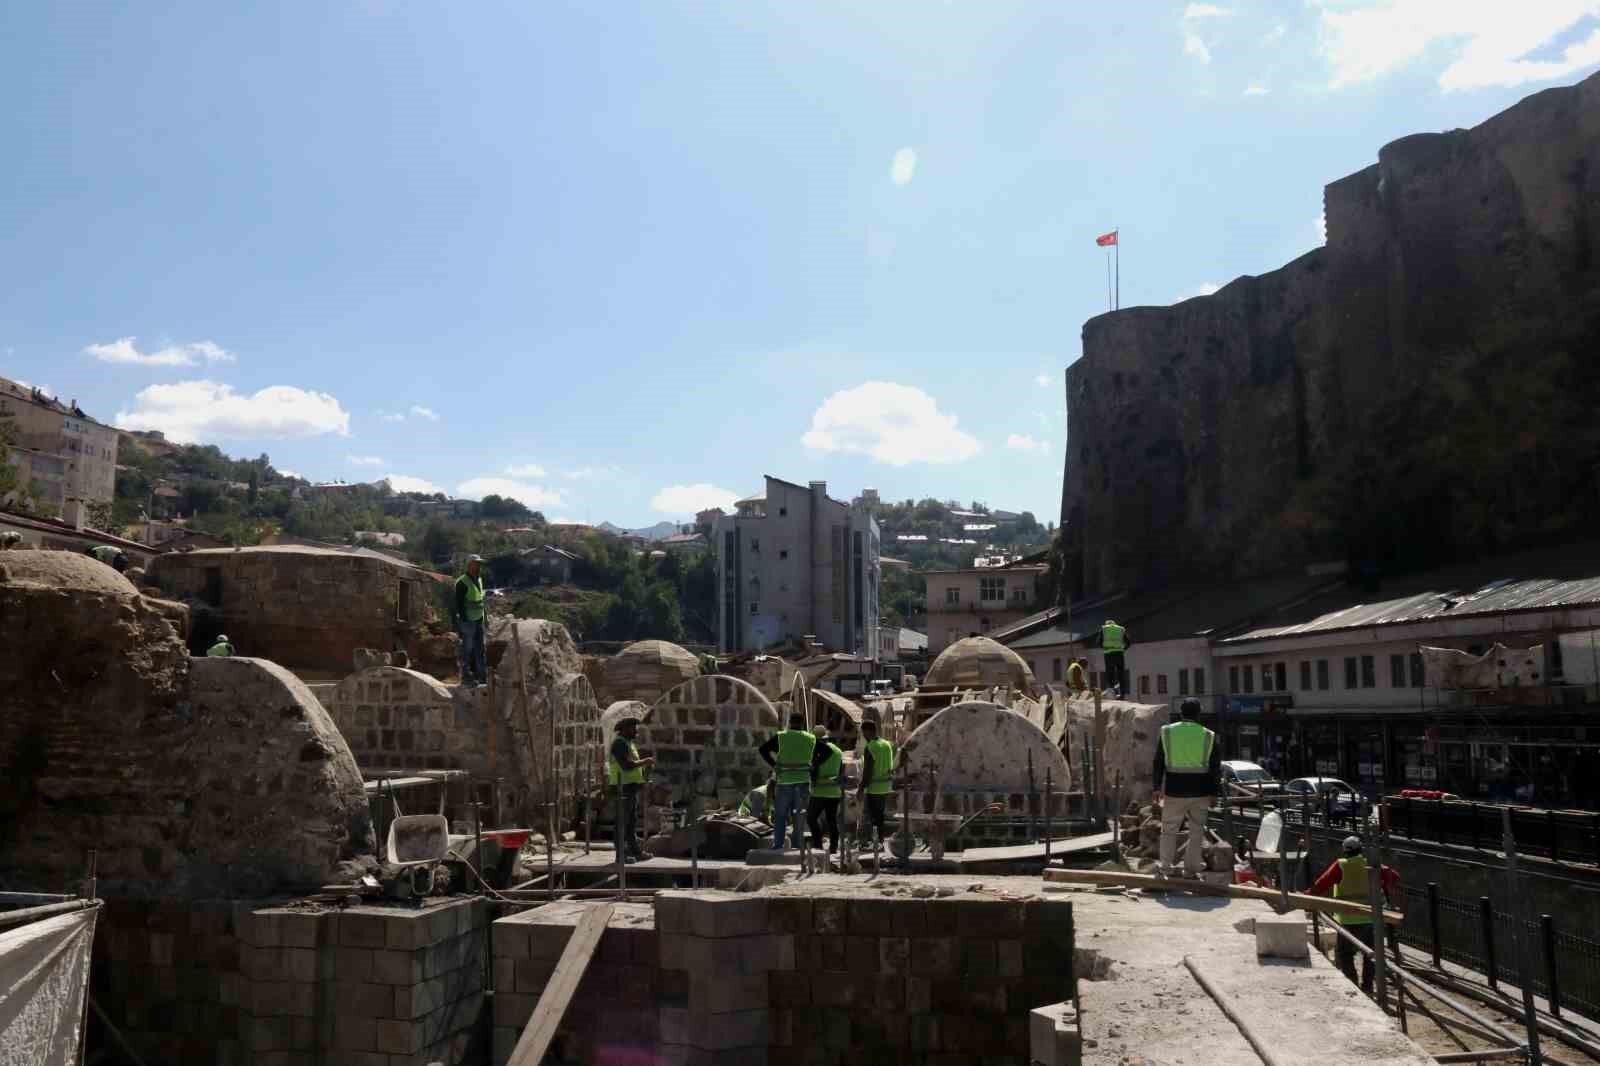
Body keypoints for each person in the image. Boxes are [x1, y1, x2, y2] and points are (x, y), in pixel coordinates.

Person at [1312, 835, 1400, 993]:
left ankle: (1353, 985)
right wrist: (1383, 887)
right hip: (1369, 920)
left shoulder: (1340, 865)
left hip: (1346, 920)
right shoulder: (1371, 865)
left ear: (1344, 851)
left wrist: (1305, 895)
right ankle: (1367, 988)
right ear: (1361, 849)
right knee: (1370, 955)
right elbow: (1394, 877)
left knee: (1345, 954)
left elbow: (1320, 885)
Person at [1153, 696, 1221, 879]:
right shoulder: (1209, 735)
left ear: (1181, 713)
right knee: (1197, 831)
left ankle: (1165, 868)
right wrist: (1215, 793)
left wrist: (1156, 787)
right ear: (1199, 715)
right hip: (1201, 791)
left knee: (1168, 830)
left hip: (1174, 790)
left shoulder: (1167, 732)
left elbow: (1158, 762)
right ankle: (1191, 871)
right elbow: (1215, 768)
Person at [758, 713, 824, 849]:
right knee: (799, 817)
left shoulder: (781, 736)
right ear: (802, 723)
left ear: (790, 722)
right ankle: (797, 845)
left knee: (780, 815)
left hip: (784, 782)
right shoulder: (810, 738)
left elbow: (763, 749)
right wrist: (814, 765)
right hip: (803, 782)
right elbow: (826, 752)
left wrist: (774, 764)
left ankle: (778, 844)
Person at [609, 717, 654, 862]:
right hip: (622, 787)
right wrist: (645, 761)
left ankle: (635, 851)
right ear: (624, 729)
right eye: (633, 728)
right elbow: (626, 765)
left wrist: (645, 768)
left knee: (631, 822)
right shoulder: (619, 744)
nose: (636, 731)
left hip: (630, 787)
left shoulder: (629, 744)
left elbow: (634, 766)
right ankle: (620, 856)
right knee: (622, 822)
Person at [807, 725, 846, 854]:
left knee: (811, 818)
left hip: (819, 792)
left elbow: (814, 772)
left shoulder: (816, 751)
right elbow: (841, 771)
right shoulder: (838, 751)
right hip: (834, 792)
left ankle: (818, 846)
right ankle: (833, 848)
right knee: (832, 820)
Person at [857, 719, 895, 845]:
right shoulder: (886, 744)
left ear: (868, 731)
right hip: (886, 786)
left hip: (874, 788)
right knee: (880, 816)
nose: (864, 736)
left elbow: (867, 772)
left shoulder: (871, 747)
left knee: (870, 817)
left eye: (863, 733)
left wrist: (861, 788)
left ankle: (868, 842)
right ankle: (880, 840)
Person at [453, 554, 488, 687]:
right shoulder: (462, 582)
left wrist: (485, 617)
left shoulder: (479, 579)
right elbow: (459, 604)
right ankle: (466, 677)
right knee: (467, 649)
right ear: (469, 565)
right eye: (476, 563)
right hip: (468, 621)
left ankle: (482, 677)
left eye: (479, 564)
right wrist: (464, 621)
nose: (479, 566)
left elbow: (480, 600)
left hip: (479, 619)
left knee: (480, 648)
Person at [1101, 619, 1127, 694]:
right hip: (1119, 654)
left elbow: (1098, 642)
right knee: (1121, 674)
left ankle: (1111, 693)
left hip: (1108, 654)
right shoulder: (1120, 629)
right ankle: (1122, 694)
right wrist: (1122, 649)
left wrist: (1105, 648)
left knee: (1110, 673)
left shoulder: (1104, 629)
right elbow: (1128, 642)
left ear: (1106, 624)